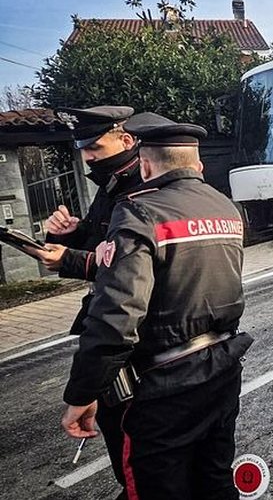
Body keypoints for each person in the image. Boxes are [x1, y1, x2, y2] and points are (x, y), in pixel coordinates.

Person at [57, 112, 253, 499]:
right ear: (197, 165)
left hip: (163, 387)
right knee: (215, 481)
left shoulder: (139, 213)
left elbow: (116, 317)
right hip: (222, 369)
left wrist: (82, 393)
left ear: (145, 166)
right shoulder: (225, 207)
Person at [28, 105, 143, 498]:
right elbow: (102, 245)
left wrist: (69, 259)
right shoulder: (111, 185)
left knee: (133, 445)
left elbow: (128, 268)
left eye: (95, 148)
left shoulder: (140, 188)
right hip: (113, 325)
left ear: (125, 140)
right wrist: (70, 235)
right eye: (84, 150)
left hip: (128, 332)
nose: (89, 158)